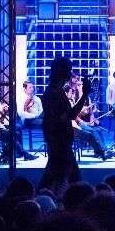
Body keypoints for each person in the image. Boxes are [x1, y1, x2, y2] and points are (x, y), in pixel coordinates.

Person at [38, 57, 91, 192]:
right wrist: (84, 95)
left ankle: (39, 197)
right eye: (68, 70)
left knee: (55, 176)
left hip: (58, 139)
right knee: (68, 177)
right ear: (62, 72)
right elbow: (69, 115)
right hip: (59, 140)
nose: (70, 73)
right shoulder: (54, 93)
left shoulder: (55, 91)